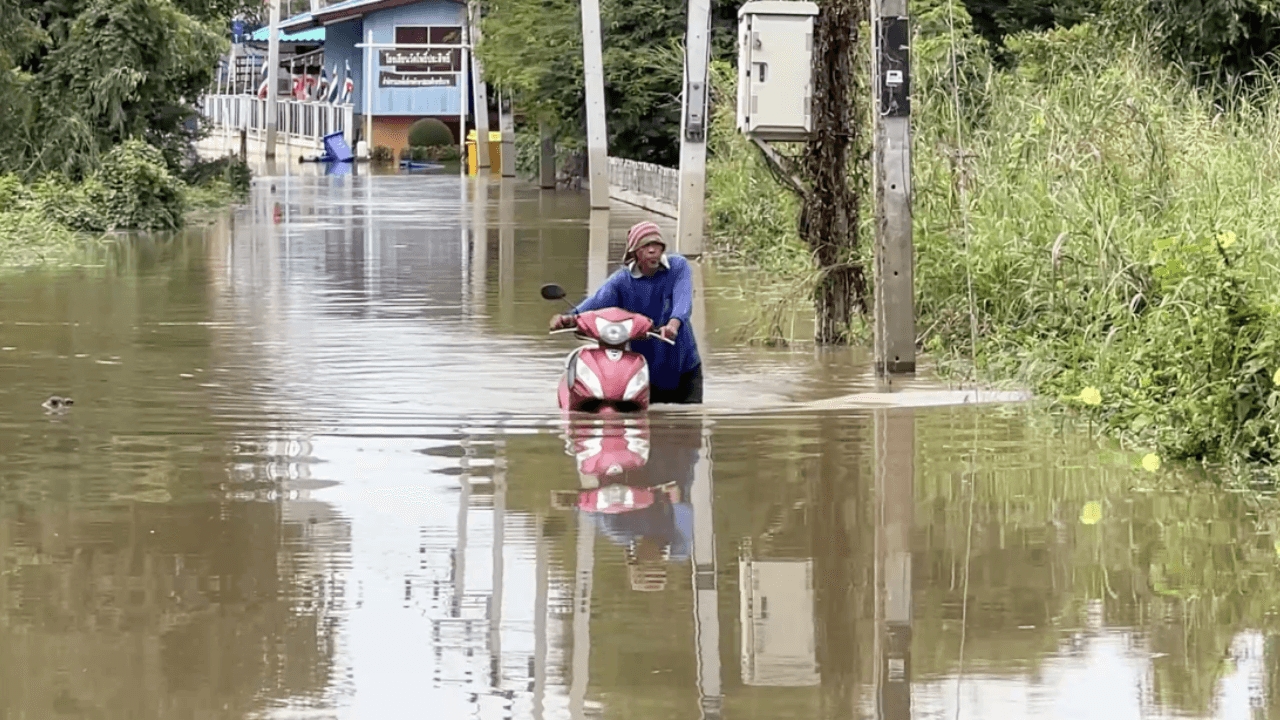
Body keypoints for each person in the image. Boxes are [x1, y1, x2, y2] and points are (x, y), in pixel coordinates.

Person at [549, 221, 703, 404]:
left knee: (689, 423)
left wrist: (673, 324)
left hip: (684, 365)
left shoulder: (678, 266)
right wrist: (570, 318)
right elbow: (596, 302)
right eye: (646, 246)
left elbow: (683, 300)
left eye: (657, 245)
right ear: (635, 252)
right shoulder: (622, 281)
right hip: (645, 368)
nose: (653, 250)